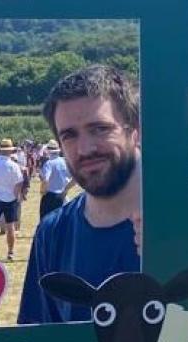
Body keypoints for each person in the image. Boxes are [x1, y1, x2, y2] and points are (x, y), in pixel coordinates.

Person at [18, 65, 141, 324]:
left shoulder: (182, 219)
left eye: (100, 128)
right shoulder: (52, 233)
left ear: (134, 130)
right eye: (69, 135)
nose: (85, 149)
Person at [38, 139, 75, 219]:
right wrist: (65, 189)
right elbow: (75, 179)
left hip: (50, 196)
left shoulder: (49, 163)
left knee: (46, 221)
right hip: (62, 195)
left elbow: (46, 180)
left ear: (48, 150)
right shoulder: (65, 162)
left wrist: (42, 190)